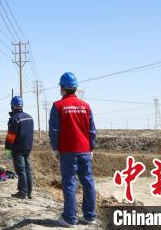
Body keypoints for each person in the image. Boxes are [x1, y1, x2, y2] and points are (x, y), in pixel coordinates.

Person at [49, 72, 97, 227]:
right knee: (88, 182)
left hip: (68, 151)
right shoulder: (85, 106)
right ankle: (90, 216)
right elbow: (92, 130)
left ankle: (70, 218)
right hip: (84, 150)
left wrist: (55, 148)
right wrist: (91, 147)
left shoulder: (58, 106)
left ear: (63, 88)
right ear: (75, 88)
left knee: (70, 184)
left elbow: (54, 130)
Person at [5, 95, 34, 199]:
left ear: (12, 106)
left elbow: (11, 136)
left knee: (21, 170)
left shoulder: (15, 119)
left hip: (18, 149)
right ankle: (29, 192)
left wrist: (8, 149)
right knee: (27, 169)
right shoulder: (29, 117)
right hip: (28, 148)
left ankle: (22, 192)